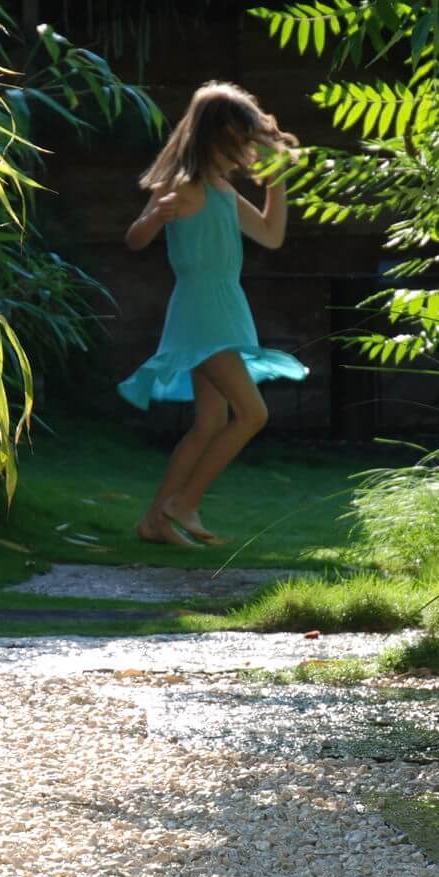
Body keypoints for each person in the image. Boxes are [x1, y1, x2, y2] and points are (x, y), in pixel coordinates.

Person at [119, 81, 307, 546]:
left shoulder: (221, 190)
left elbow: (270, 235)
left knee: (211, 423)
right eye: (243, 138)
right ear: (220, 133)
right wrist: (155, 218)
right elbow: (134, 239)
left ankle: (154, 522)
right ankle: (183, 504)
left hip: (225, 309)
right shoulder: (181, 188)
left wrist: (276, 184)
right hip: (201, 313)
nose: (248, 149)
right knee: (252, 413)